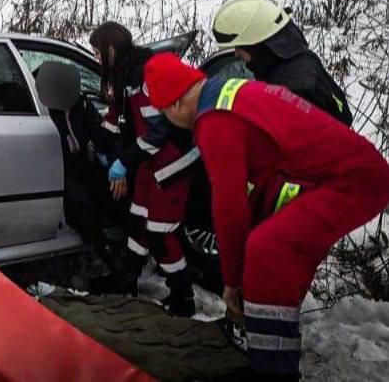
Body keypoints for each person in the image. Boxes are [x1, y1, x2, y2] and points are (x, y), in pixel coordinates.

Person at [144, 53, 389, 381]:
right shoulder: (229, 91)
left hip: (353, 182)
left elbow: (229, 207)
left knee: (265, 250)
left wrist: (231, 281)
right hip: (343, 175)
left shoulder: (214, 121)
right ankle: (267, 339)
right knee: (277, 247)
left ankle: (273, 369)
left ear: (174, 106)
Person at [89, 22, 200, 316]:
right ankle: (128, 280)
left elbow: (159, 130)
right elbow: (118, 114)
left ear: (111, 50)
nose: (98, 60)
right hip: (148, 161)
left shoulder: (147, 75)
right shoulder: (124, 75)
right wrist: (100, 139)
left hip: (172, 161)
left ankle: (182, 297)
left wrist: (123, 162)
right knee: (138, 221)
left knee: (160, 234)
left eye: (98, 54)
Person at [35, 61, 133, 294]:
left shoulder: (81, 106)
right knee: (82, 208)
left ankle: (126, 265)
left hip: (81, 168)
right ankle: (111, 263)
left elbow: (102, 135)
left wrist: (119, 164)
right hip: (59, 172)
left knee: (116, 197)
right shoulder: (46, 111)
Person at [212, 0, 353, 126]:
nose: (236, 53)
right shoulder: (300, 57)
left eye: (239, 47)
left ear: (256, 47)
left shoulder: (288, 93)